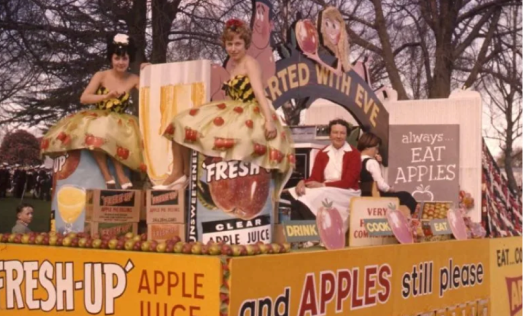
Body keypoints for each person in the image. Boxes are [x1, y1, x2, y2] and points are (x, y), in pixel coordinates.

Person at [155, 18, 294, 190]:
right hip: (234, 109)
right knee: (180, 122)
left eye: (238, 44)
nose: (233, 49)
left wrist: (269, 121)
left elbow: (259, 93)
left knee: (234, 144)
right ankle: (179, 172)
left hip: (252, 112)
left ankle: (191, 176)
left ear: (245, 44)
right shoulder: (231, 63)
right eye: (230, 44)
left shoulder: (250, 63)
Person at [40, 33, 145, 189]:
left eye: (124, 59)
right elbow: (84, 98)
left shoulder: (134, 78)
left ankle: (119, 172)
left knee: (115, 131)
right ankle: (107, 174)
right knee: (98, 130)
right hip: (98, 116)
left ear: (130, 60)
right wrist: (106, 96)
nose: (121, 62)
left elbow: (151, 89)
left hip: (120, 120)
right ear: (111, 59)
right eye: (117, 58)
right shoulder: (101, 75)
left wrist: (148, 69)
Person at [284, 119, 361, 232]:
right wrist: (303, 182)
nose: (338, 136)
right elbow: (314, 177)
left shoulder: (354, 154)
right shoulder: (322, 153)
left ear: (347, 135)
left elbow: (347, 182)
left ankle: (318, 232)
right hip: (325, 189)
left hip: (347, 192)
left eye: (342, 133)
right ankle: (303, 234)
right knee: (296, 193)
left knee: (312, 195)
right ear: (329, 134)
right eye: (335, 132)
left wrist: (322, 185)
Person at [358, 132, 417, 214]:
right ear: (368, 147)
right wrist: (390, 189)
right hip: (375, 198)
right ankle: (404, 221)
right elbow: (381, 185)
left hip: (362, 197)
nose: (377, 151)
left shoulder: (356, 160)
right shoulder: (371, 162)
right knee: (406, 196)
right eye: (376, 148)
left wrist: (379, 163)